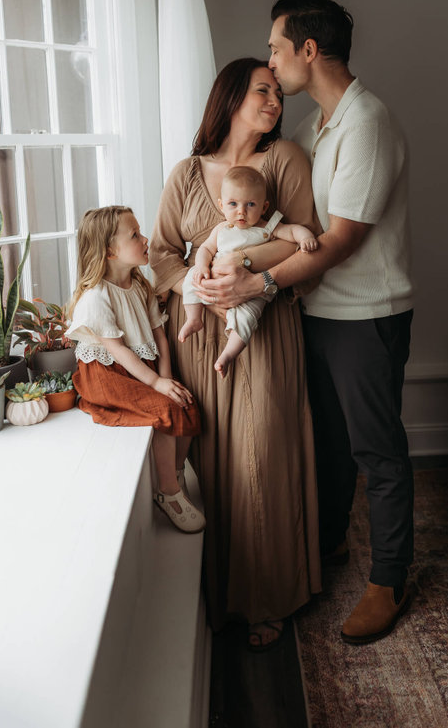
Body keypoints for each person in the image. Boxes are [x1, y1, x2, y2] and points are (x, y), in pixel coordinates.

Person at [195, 0, 415, 645]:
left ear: (307, 51)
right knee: (328, 444)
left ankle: (390, 579)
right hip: (318, 309)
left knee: (376, 448)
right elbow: (294, 232)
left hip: (365, 313)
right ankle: (327, 549)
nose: (269, 60)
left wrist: (256, 280)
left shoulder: (367, 123)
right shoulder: (316, 129)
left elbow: (340, 239)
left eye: (274, 48)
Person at [149, 58, 321, 650]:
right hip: (198, 339)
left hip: (266, 333)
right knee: (216, 464)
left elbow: (308, 246)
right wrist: (199, 290)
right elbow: (164, 253)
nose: (276, 101)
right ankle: (215, 599)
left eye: (278, 92)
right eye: (262, 90)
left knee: (263, 459)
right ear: (228, 98)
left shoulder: (286, 160)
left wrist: (245, 269)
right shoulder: (186, 173)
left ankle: (265, 597)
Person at [67, 205, 204, 533]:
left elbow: (160, 334)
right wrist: (156, 383)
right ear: (110, 250)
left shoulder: (141, 286)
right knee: (163, 410)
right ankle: (168, 493)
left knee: (186, 403)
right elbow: (117, 350)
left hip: (141, 367)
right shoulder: (96, 297)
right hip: (106, 373)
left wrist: (166, 376)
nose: (146, 240)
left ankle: (174, 471)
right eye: (135, 235)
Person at [179, 165, 318, 377]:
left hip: (253, 288)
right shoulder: (222, 229)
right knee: (190, 279)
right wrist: (201, 266)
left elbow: (291, 230)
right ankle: (194, 318)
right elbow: (205, 249)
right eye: (233, 204)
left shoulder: (268, 227)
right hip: (215, 281)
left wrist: (304, 237)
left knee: (247, 318)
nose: (241, 211)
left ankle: (228, 354)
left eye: (250, 204)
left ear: (264, 207)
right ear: (221, 205)